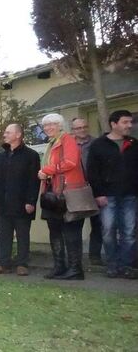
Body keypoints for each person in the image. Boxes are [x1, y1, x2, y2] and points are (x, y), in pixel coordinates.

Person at [87, 110, 138, 279]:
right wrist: (98, 193)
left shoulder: (133, 143)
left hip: (130, 195)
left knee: (129, 231)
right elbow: (92, 171)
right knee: (108, 230)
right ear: (113, 124)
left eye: (130, 122)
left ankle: (126, 265)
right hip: (107, 195)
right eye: (125, 122)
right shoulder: (98, 145)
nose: (129, 125)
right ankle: (112, 264)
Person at [0, 124, 40, 276]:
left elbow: (33, 181)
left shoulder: (31, 155)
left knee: (23, 234)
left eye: (8, 132)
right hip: (3, 202)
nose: (5, 135)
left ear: (18, 135)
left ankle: (22, 263)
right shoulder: (1, 155)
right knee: (4, 234)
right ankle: (3, 263)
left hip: (22, 202)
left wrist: (31, 201)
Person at [38, 113, 86, 280]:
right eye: (45, 126)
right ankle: (59, 266)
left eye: (52, 124)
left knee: (71, 231)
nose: (48, 128)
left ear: (60, 125)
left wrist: (47, 171)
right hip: (54, 193)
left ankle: (75, 268)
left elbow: (70, 162)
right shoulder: (52, 143)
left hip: (68, 193)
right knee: (55, 229)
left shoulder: (68, 140)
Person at [71, 117, 104, 265]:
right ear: (73, 130)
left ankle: (95, 255)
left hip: (95, 187)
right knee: (76, 224)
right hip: (76, 189)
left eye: (84, 126)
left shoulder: (98, 143)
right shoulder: (69, 145)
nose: (82, 130)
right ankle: (75, 258)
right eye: (78, 128)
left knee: (98, 223)